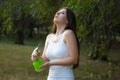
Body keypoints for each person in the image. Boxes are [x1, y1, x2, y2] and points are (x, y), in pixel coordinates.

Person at [31, 7, 79, 80]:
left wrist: (51, 63)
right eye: (57, 12)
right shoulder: (49, 37)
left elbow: (74, 60)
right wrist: (36, 58)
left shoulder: (68, 33)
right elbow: (45, 61)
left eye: (62, 13)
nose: (57, 13)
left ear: (67, 21)